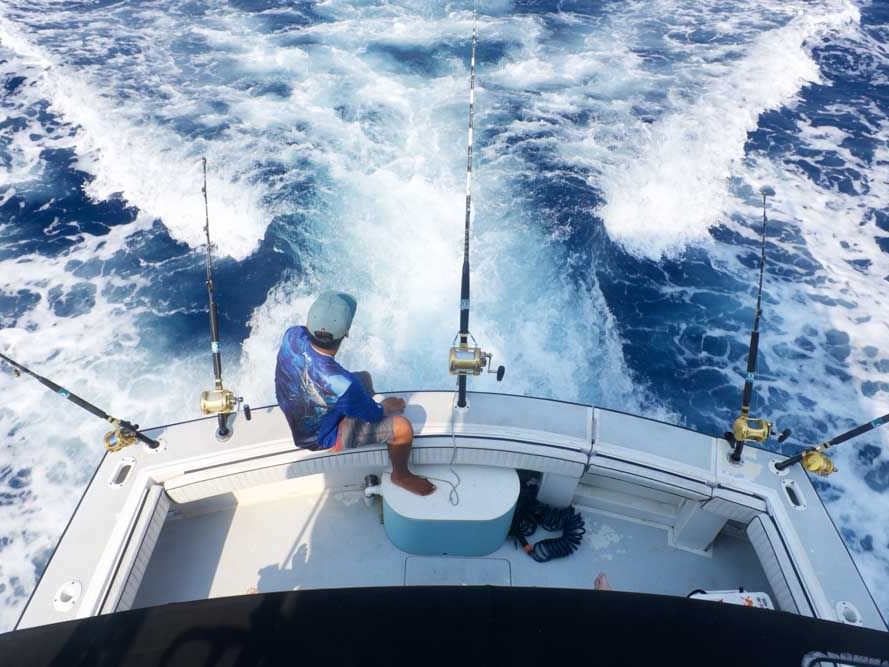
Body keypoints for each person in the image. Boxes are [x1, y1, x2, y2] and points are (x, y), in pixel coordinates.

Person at [275, 291, 435, 496]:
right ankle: (401, 475)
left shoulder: (292, 335)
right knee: (402, 428)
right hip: (320, 438)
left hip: (294, 408)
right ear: (347, 333)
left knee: (364, 379)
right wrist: (384, 406)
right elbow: (375, 415)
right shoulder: (343, 384)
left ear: (308, 324)